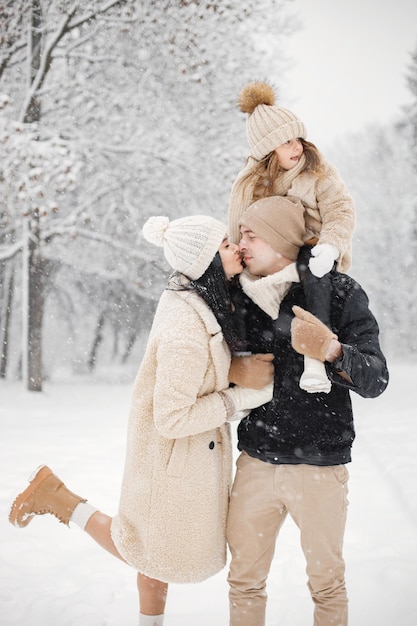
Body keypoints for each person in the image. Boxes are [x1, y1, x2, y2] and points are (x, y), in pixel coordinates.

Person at [8, 214, 274, 626]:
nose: (235, 246)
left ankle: (56, 496)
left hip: (176, 458)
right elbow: (172, 416)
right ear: (205, 262)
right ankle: (57, 498)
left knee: (151, 554)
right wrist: (236, 398)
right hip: (172, 457)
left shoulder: (199, 302)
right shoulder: (187, 323)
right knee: (149, 552)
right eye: (224, 243)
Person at [226, 195, 389, 626]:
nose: (240, 243)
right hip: (255, 462)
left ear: (280, 241)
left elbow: (376, 378)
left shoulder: (338, 292)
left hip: (319, 465)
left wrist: (333, 350)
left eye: (250, 235)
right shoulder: (236, 295)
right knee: (243, 581)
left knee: (327, 584)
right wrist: (233, 371)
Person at [228, 80, 356, 394]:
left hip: (314, 250)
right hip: (271, 259)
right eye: (286, 142)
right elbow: (238, 222)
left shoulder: (317, 171)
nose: (297, 147)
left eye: (297, 138)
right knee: (239, 296)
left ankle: (315, 357)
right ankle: (244, 373)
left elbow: (340, 208)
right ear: (267, 149)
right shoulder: (252, 182)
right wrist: (236, 260)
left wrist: (330, 244)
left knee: (309, 271)